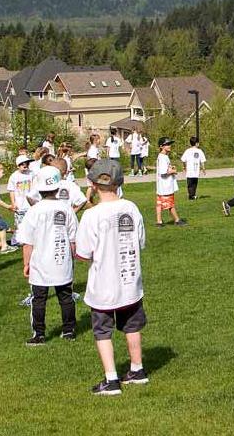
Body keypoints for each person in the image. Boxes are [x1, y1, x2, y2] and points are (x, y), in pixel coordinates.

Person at [75, 160, 148, 395]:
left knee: (102, 329)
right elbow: (140, 242)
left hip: (103, 284)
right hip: (129, 280)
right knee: (132, 325)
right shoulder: (132, 207)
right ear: (119, 183)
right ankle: (137, 369)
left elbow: (84, 253)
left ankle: (112, 378)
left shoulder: (91, 215)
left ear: (93, 185)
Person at [19, 165, 80, 346]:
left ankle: (39, 334)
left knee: (39, 299)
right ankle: (69, 330)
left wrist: (26, 263)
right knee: (65, 297)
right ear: (57, 186)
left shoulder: (34, 211)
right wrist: (72, 257)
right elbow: (73, 238)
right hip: (62, 260)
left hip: (40, 263)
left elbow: (27, 242)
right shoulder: (66, 208)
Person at [152, 137, 186, 227]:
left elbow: (164, 169)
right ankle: (177, 220)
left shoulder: (163, 156)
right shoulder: (163, 157)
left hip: (161, 186)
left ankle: (159, 222)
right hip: (166, 186)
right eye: (167, 144)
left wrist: (171, 168)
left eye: (169, 144)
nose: (169, 146)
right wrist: (173, 171)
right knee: (170, 204)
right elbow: (163, 172)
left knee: (159, 204)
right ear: (161, 146)